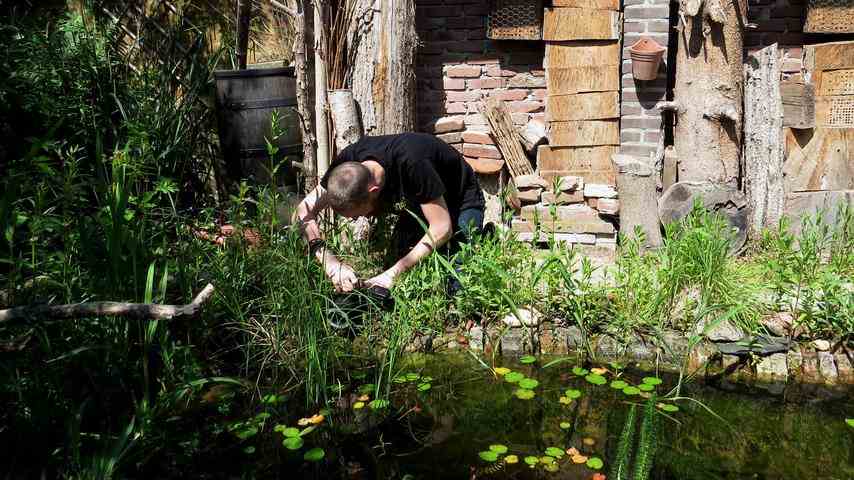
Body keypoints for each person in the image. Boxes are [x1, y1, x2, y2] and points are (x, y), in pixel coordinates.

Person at [294, 132, 485, 292]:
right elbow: (302, 211)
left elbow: (442, 228)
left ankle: (482, 237)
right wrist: (331, 263)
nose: (357, 220)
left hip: (459, 200)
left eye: (358, 215)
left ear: (373, 191)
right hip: (419, 204)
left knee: (457, 283)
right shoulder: (347, 166)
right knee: (396, 277)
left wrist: (391, 275)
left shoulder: (413, 163)